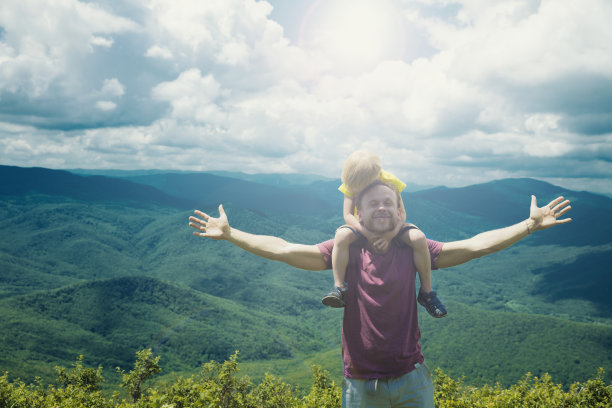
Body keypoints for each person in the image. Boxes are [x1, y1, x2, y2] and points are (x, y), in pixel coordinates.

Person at [188, 184, 572, 408]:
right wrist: (232, 234)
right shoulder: (347, 249)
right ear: (359, 213)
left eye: (389, 202)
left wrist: (527, 225)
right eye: (374, 203)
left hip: (412, 379)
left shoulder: (414, 248)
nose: (383, 207)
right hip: (360, 385)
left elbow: (475, 246)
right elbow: (284, 249)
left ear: (400, 210)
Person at [322, 150, 446, 319]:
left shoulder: (390, 181)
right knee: (341, 236)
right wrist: (367, 233)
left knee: (419, 238)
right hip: (363, 224)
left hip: (391, 225)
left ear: (375, 175)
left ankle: (427, 292)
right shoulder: (352, 182)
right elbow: (348, 215)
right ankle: (339, 288)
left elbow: (401, 214)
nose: (360, 188)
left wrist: (390, 235)